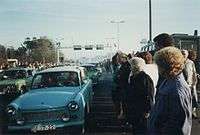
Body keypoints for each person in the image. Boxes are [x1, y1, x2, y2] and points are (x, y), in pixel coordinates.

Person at [148, 47, 192, 135]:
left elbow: (180, 127)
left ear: (166, 66)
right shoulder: (169, 80)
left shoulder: (177, 90)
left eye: (159, 65)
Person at [127, 57, 154, 135]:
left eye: (131, 65)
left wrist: (147, 110)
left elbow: (149, 95)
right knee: (136, 129)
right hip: (135, 109)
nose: (130, 67)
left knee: (142, 130)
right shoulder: (133, 77)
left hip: (141, 110)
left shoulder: (145, 78)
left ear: (136, 66)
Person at [118, 53, 131, 120]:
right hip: (123, 86)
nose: (118, 60)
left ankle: (126, 117)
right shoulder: (125, 65)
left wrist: (119, 77)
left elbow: (125, 76)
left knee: (125, 103)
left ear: (124, 58)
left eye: (119, 58)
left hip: (125, 87)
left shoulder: (127, 66)